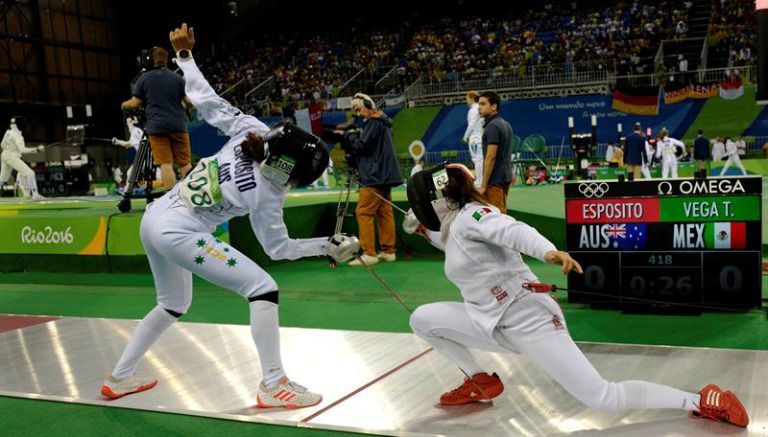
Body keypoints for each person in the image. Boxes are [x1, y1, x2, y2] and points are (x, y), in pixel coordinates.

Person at [100, 24, 360, 409]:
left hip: (154, 218)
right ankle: (274, 384)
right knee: (262, 289)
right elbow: (278, 249)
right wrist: (326, 245)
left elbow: (205, 99)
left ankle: (120, 378)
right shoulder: (267, 194)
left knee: (172, 303)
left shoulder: (251, 130)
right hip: (178, 231)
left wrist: (185, 56)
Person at [402, 163, 749, 428]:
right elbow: (450, 240)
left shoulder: (475, 216)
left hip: (527, 318)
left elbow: (512, 230)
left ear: (442, 199)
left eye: (423, 204)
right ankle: (479, 380)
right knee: (422, 319)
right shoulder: (455, 227)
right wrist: (421, 229)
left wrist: (549, 252)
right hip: (487, 320)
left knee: (602, 397)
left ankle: (700, 400)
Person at [341, 92, 403, 266]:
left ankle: (369, 253)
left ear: (368, 106)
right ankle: (388, 251)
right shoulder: (382, 123)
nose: (358, 113)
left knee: (364, 212)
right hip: (384, 175)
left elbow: (361, 145)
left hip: (373, 175)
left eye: (358, 109)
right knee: (384, 212)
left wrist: (351, 135)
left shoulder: (373, 123)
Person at [121, 46, 193, 190]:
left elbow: (134, 103)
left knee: (166, 164)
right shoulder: (177, 78)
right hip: (179, 126)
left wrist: (124, 105)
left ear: (151, 60)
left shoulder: (145, 78)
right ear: (166, 60)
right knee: (185, 163)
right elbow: (190, 102)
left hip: (157, 127)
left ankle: (171, 201)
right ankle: (199, 197)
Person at [477, 91, 512, 213]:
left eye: (483, 104)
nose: (479, 107)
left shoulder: (492, 126)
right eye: (478, 104)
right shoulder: (505, 124)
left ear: (494, 106)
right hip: (504, 178)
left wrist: (483, 185)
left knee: (498, 222)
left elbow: (490, 157)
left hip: (495, 182)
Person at [0, 116, 44, 200]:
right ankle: (35, 195)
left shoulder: (8, 132)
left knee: (3, 178)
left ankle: (35, 194)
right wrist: (36, 150)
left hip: (4, 154)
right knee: (30, 173)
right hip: (11, 157)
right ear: (20, 125)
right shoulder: (18, 136)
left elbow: (2, 145)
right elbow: (23, 150)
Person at [462, 91, 484, 188]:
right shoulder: (479, 108)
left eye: (467, 98)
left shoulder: (472, 110)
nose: (466, 100)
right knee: (480, 159)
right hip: (480, 137)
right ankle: (480, 179)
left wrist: (465, 136)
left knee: (477, 160)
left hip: (474, 138)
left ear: (471, 98)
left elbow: (471, 124)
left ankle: (479, 180)